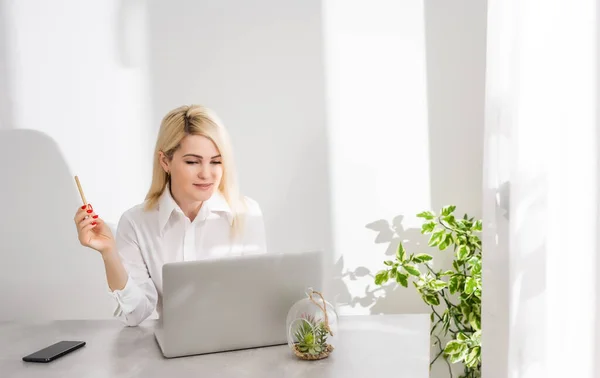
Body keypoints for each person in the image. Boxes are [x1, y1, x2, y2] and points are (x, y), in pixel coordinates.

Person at [73, 105, 267, 326]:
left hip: (235, 347)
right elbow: (136, 314)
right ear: (165, 161)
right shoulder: (136, 223)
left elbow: (257, 300)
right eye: (192, 162)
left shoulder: (245, 213)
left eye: (216, 161)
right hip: (174, 353)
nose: (206, 173)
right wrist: (109, 253)